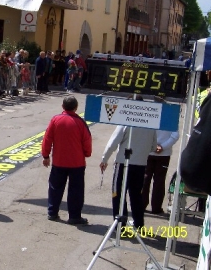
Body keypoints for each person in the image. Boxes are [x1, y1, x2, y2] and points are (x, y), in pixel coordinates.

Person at [99, 96, 157, 228]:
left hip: (123, 164)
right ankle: (139, 223)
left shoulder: (126, 121)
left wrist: (104, 159)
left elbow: (112, 143)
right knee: (136, 195)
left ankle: (120, 224)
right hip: (141, 165)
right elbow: (154, 147)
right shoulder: (150, 124)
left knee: (118, 193)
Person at [42, 95, 92, 225]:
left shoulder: (55, 120)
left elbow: (47, 138)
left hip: (59, 161)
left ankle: (52, 212)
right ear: (76, 108)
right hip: (77, 163)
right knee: (76, 190)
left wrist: (46, 155)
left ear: (62, 107)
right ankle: (74, 216)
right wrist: (87, 153)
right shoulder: (80, 122)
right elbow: (87, 141)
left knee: (55, 187)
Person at [142, 129, 179, 214]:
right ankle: (156, 208)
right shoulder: (172, 116)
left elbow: (143, 130)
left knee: (145, 179)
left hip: (148, 151)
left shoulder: (151, 115)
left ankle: (142, 205)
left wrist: (151, 145)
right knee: (159, 181)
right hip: (163, 154)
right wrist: (163, 146)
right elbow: (175, 135)